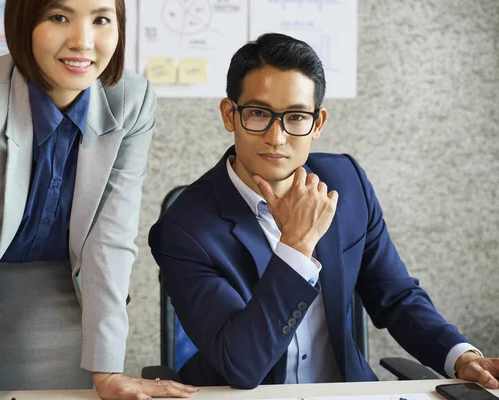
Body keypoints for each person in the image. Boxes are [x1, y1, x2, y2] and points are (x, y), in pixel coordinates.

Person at [149, 33, 499, 389]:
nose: (276, 137)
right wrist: (296, 247)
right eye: (257, 113)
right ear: (230, 114)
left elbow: (396, 297)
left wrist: (461, 357)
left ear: (317, 124)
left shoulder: (347, 184)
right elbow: (242, 364)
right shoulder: (183, 229)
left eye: (296, 117)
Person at [0, 0, 197, 399]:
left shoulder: (133, 99)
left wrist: (107, 372)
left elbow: (109, 240)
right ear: (24, 23)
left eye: (101, 19)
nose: (83, 41)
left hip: (68, 290)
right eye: (59, 17)